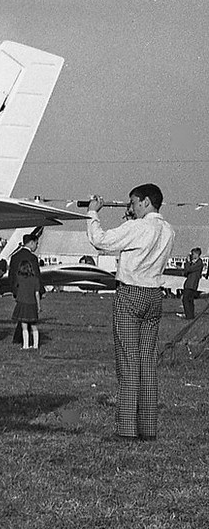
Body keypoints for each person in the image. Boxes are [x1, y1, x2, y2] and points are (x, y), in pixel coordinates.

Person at [87, 185, 175, 441]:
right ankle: (147, 428)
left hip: (131, 294)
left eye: (134, 203)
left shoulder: (137, 227)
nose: (132, 207)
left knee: (128, 363)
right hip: (154, 296)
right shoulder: (168, 230)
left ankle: (126, 429)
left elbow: (100, 240)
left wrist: (93, 213)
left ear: (146, 202)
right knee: (147, 364)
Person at [9, 237, 44, 350]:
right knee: (30, 319)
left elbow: (11, 276)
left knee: (22, 317)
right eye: (36, 243)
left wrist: (14, 290)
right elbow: (37, 275)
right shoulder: (32, 258)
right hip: (31, 294)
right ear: (31, 243)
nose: (37, 246)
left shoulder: (15, 256)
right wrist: (41, 291)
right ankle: (31, 343)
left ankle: (22, 341)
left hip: (19, 292)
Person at [182, 247, 202, 320]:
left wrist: (187, 262)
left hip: (191, 284)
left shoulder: (199, 263)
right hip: (190, 284)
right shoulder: (194, 263)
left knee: (186, 299)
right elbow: (186, 272)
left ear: (197, 254)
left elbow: (188, 269)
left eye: (193, 254)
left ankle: (189, 315)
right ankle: (190, 315)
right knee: (190, 300)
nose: (192, 255)